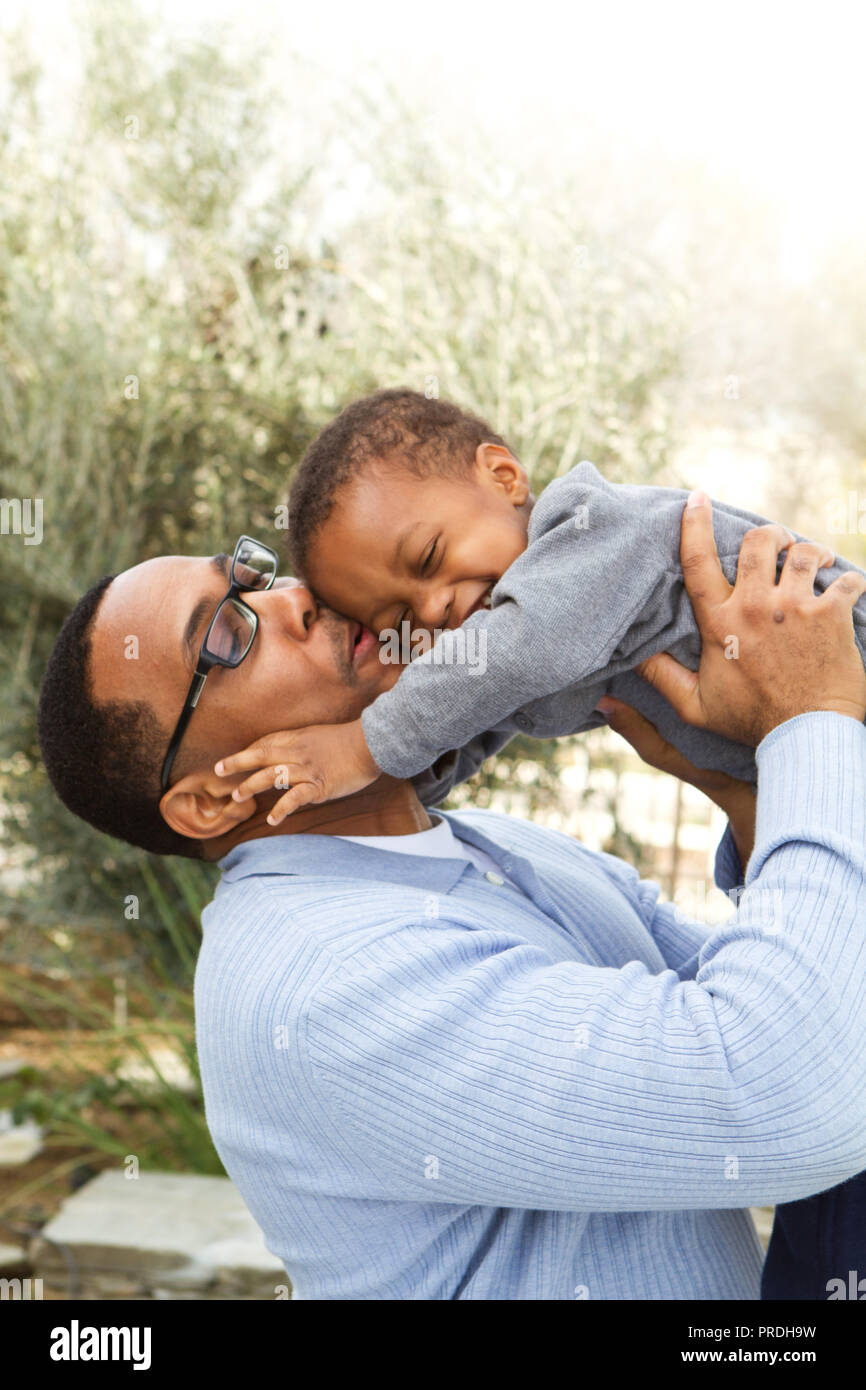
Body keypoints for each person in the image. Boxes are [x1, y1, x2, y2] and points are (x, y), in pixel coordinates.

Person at [35, 495, 866, 1298]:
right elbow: (787, 1091)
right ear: (211, 803)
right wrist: (814, 721)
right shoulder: (324, 982)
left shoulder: (489, 847)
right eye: (225, 633)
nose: (291, 599)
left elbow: (821, 1013)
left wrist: (751, 798)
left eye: (251, 575)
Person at [217, 389, 866, 824]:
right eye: (400, 621)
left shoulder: (586, 529)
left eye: (427, 558)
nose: (436, 607)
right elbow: (481, 716)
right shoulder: (509, 643)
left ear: (503, 477)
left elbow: (517, 655)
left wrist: (362, 749)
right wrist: (406, 787)